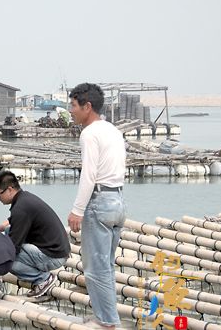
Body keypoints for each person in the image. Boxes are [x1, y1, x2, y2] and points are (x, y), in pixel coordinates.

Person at [67, 83, 126, 329]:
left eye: (73, 105)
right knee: (106, 266)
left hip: (99, 202)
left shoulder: (89, 134)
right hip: (118, 200)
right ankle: (105, 316)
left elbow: (88, 176)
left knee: (94, 269)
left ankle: (108, 321)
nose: (70, 110)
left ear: (87, 106)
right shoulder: (112, 130)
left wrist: (77, 210)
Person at [0, 171, 70, 298]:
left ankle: (43, 279)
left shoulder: (20, 209)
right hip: (58, 249)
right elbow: (13, 222)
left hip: (53, 256)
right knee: (6, 233)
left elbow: (13, 247)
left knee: (8, 262)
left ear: (10, 190)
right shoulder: (25, 198)